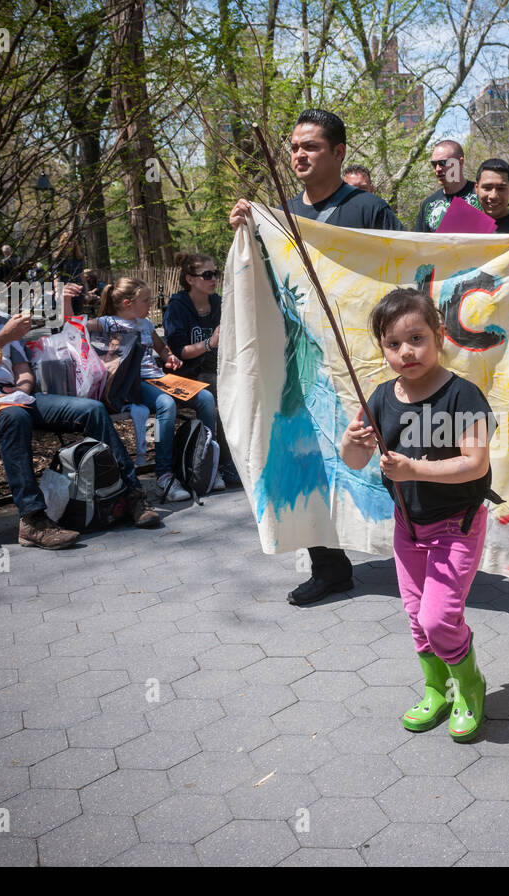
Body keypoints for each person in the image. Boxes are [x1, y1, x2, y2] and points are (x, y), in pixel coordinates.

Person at [229, 107, 404, 606]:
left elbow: (400, 275)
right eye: (293, 147)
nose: (298, 155)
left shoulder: (368, 210)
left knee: (380, 453)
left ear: (339, 152)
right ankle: (329, 567)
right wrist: (245, 230)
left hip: (364, 363)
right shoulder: (282, 217)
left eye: (310, 147)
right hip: (304, 367)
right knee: (307, 459)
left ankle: (422, 551)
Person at [0, 248, 161, 549]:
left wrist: (22, 386)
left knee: (92, 410)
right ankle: (32, 519)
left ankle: (132, 495)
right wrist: (1, 339)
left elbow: (22, 364)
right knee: (15, 417)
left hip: (15, 395)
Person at [340, 288, 494, 741]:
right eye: (393, 343)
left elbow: (475, 463)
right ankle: (437, 687)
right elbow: (352, 460)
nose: (407, 351)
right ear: (383, 349)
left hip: (457, 525)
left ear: (440, 336)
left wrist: (412, 469)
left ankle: (470, 686)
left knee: (438, 617)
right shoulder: (383, 397)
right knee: (416, 616)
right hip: (408, 527)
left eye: (417, 338)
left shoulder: (463, 395)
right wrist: (353, 440)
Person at [86, 277, 220, 503]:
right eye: (146, 301)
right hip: (132, 383)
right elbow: (76, 326)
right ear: (128, 304)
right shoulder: (109, 323)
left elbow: (162, 348)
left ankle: (205, 465)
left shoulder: (147, 325)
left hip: (159, 379)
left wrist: (170, 358)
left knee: (206, 397)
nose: (151, 305)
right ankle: (164, 475)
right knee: (165, 404)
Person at [163, 251, 242, 488]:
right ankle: (210, 464)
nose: (213, 279)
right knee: (226, 392)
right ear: (190, 279)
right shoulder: (177, 307)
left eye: (215, 273)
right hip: (186, 375)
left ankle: (230, 463)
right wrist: (210, 343)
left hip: (216, 370)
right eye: (207, 274)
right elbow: (179, 352)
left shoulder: (218, 303)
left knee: (241, 389)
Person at [414, 140, 484, 232]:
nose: (438, 169)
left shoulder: (481, 195)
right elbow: (420, 243)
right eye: (434, 164)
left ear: (460, 162)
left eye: (443, 163)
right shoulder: (428, 204)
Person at [474, 158, 509, 233]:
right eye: (487, 188)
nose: (493, 196)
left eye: (501, 188)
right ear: (476, 188)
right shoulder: (462, 226)